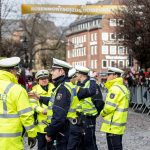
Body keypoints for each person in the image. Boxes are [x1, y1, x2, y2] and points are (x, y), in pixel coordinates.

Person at [0, 57, 37, 150]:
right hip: (10, 141)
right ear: (12, 71)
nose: (17, 73)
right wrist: (32, 134)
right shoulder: (17, 89)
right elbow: (26, 115)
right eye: (16, 70)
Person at [73, 65, 104, 150]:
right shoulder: (78, 84)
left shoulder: (92, 85)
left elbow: (99, 103)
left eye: (77, 73)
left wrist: (93, 114)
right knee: (79, 143)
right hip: (79, 118)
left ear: (81, 75)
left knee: (90, 143)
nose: (75, 75)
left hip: (88, 118)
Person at [100, 67, 130, 150]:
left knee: (113, 147)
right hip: (119, 124)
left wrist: (102, 113)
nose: (107, 77)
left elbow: (109, 107)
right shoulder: (123, 87)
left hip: (112, 125)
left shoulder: (115, 89)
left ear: (115, 76)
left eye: (109, 74)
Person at [30, 69, 55, 150]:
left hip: (53, 124)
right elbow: (32, 105)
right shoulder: (34, 91)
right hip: (41, 126)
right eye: (42, 79)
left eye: (46, 78)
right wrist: (41, 110)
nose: (44, 80)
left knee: (53, 147)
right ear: (38, 80)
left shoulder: (54, 88)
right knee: (42, 147)